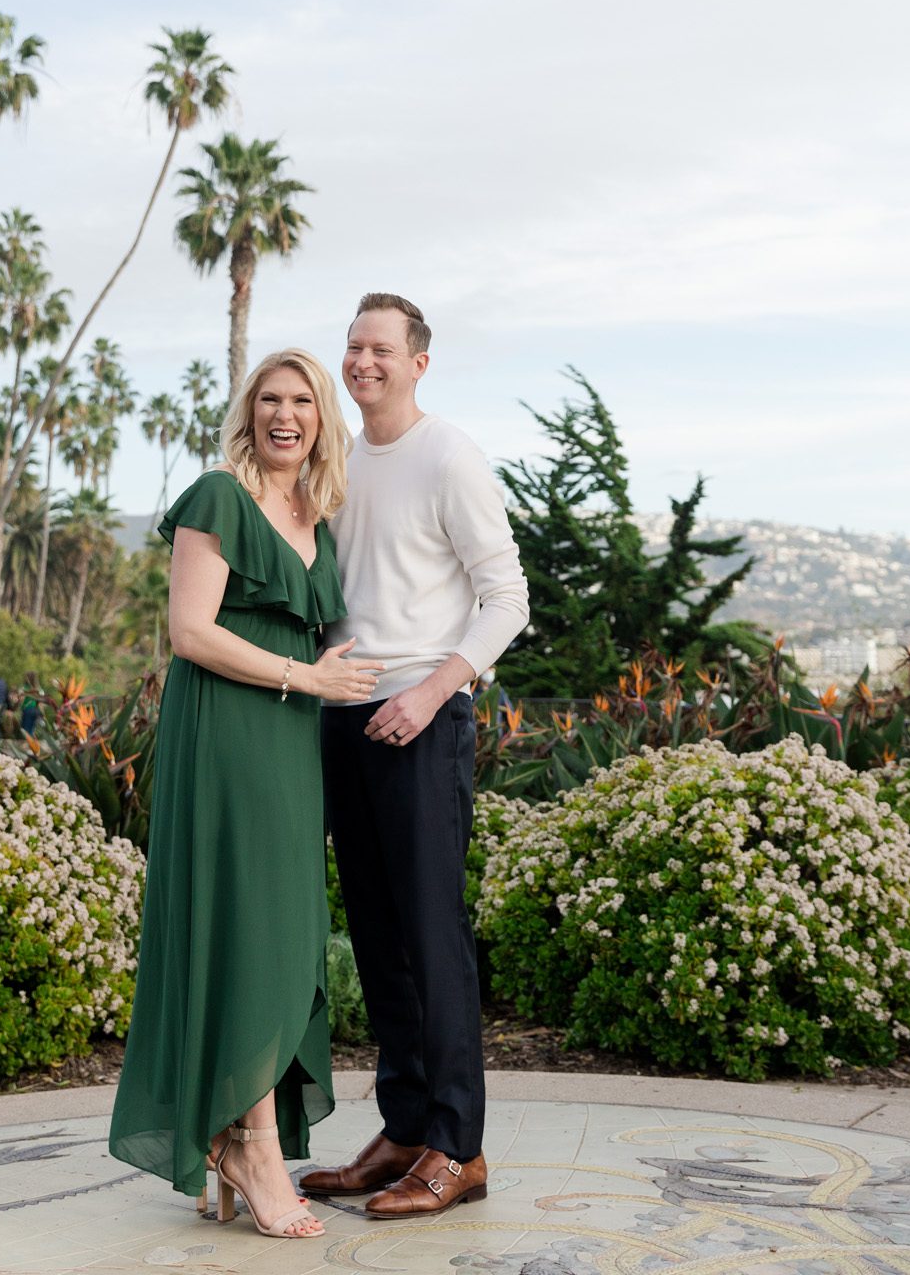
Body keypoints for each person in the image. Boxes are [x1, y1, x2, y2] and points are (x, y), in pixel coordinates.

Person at [110, 348, 384, 1240]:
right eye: (269, 398)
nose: (285, 414)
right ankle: (254, 1146)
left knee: (284, 931)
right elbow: (189, 631)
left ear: (320, 419)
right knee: (246, 927)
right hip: (226, 734)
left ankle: (239, 1133)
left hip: (291, 744)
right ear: (248, 411)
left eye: (302, 401)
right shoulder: (217, 496)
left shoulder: (318, 514)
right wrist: (303, 680)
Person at [300, 293, 529, 1219]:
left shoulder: (447, 456)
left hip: (423, 719)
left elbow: (505, 597)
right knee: (379, 937)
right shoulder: (341, 462)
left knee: (432, 939)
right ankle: (403, 1129)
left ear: (418, 362)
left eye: (380, 349)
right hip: (345, 716)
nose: (362, 362)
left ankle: (457, 1149)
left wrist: (433, 690)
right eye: (352, 346)